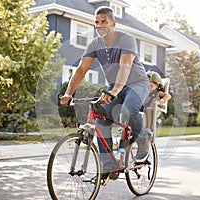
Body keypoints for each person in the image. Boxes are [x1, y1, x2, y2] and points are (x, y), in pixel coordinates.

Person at [60, 6, 150, 178]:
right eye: (97, 22)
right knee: (100, 118)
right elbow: (81, 70)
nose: (100, 25)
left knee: (128, 110)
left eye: (104, 22)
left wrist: (114, 91)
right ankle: (109, 165)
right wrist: (68, 93)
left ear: (113, 23)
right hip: (115, 86)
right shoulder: (94, 45)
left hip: (137, 83)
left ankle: (143, 139)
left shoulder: (126, 39)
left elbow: (125, 66)